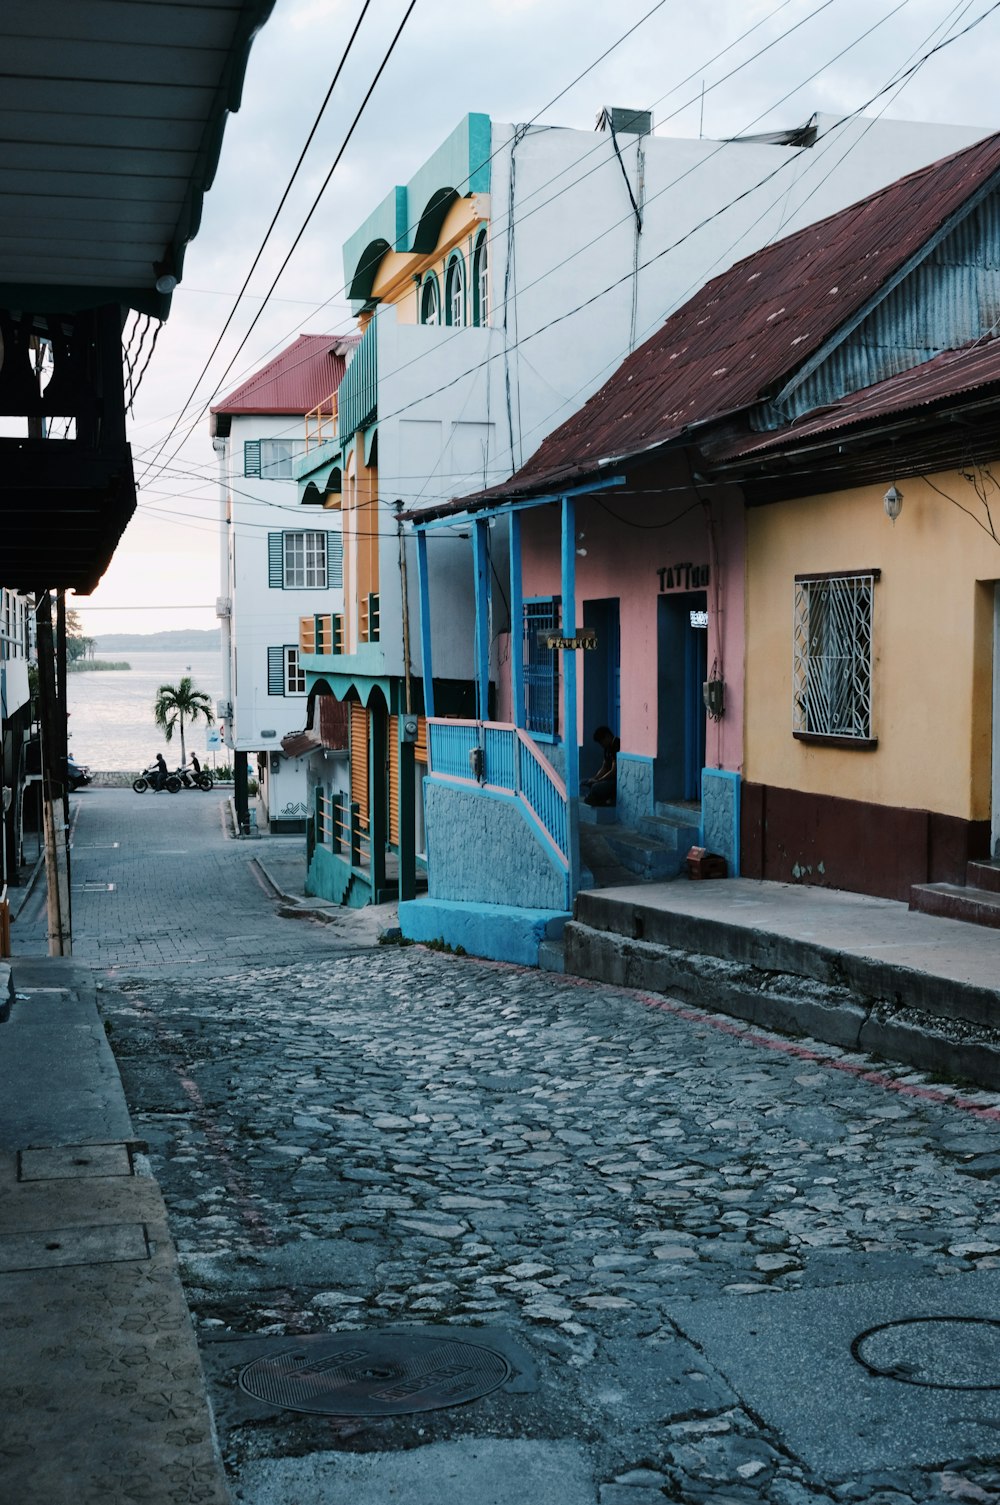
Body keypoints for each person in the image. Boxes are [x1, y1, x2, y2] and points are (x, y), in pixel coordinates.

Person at [582, 725, 619, 807]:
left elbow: (614, 771)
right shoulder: (607, 748)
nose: (601, 744)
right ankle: (595, 798)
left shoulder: (616, 745)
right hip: (606, 779)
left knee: (596, 787)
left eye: (601, 741)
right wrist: (595, 778)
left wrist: (599, 780)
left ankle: (605, 801)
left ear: (607, 737)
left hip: (614, 781)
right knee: (584, 783)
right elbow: (604, 767)